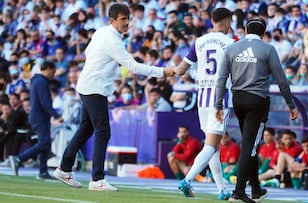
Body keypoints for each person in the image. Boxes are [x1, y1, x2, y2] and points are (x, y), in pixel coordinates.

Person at [52, 3, 175, 192]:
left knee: (86, 129)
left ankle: (64, 168)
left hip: (89, 85)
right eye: (122, 19)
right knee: (103, 132)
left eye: (128, 18)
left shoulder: (102, 32)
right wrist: (164, 71)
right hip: (95, 87)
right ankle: (97, 179)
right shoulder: (112, 39)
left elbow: (88, 53)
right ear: (112, 20)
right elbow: (133, 67)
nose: (127, 22)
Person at [215, 17, 298, 203]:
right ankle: (238, 192)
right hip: (257, 100)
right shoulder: (268, 49)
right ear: (263, 33)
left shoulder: (232, 48)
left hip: (238, 99)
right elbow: (281, 80)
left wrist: (218, 105)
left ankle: (256, 190)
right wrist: (291, 105)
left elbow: (221, 79)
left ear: (245, 30)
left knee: (250, 144)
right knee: (249, 146)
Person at [175, 8, 234, 200]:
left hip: (203, 98)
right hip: (220, 98)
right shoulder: (232, 42)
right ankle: (188, 179)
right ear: (227, 22)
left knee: (213, 147)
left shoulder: (199, 42)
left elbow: (182, 69)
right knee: (211, 145)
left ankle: (222, 189)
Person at [9, 61, 63, 179]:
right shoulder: (41, 81)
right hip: (40, 117)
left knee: (45, 143)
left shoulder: (37, 81)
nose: (54, 75)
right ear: (47, 69)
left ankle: (43, 171)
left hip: (38, 116)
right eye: (53, 72)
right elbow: (45, 102)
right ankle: (19, 158)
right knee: (44, 143)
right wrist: (56, 115)